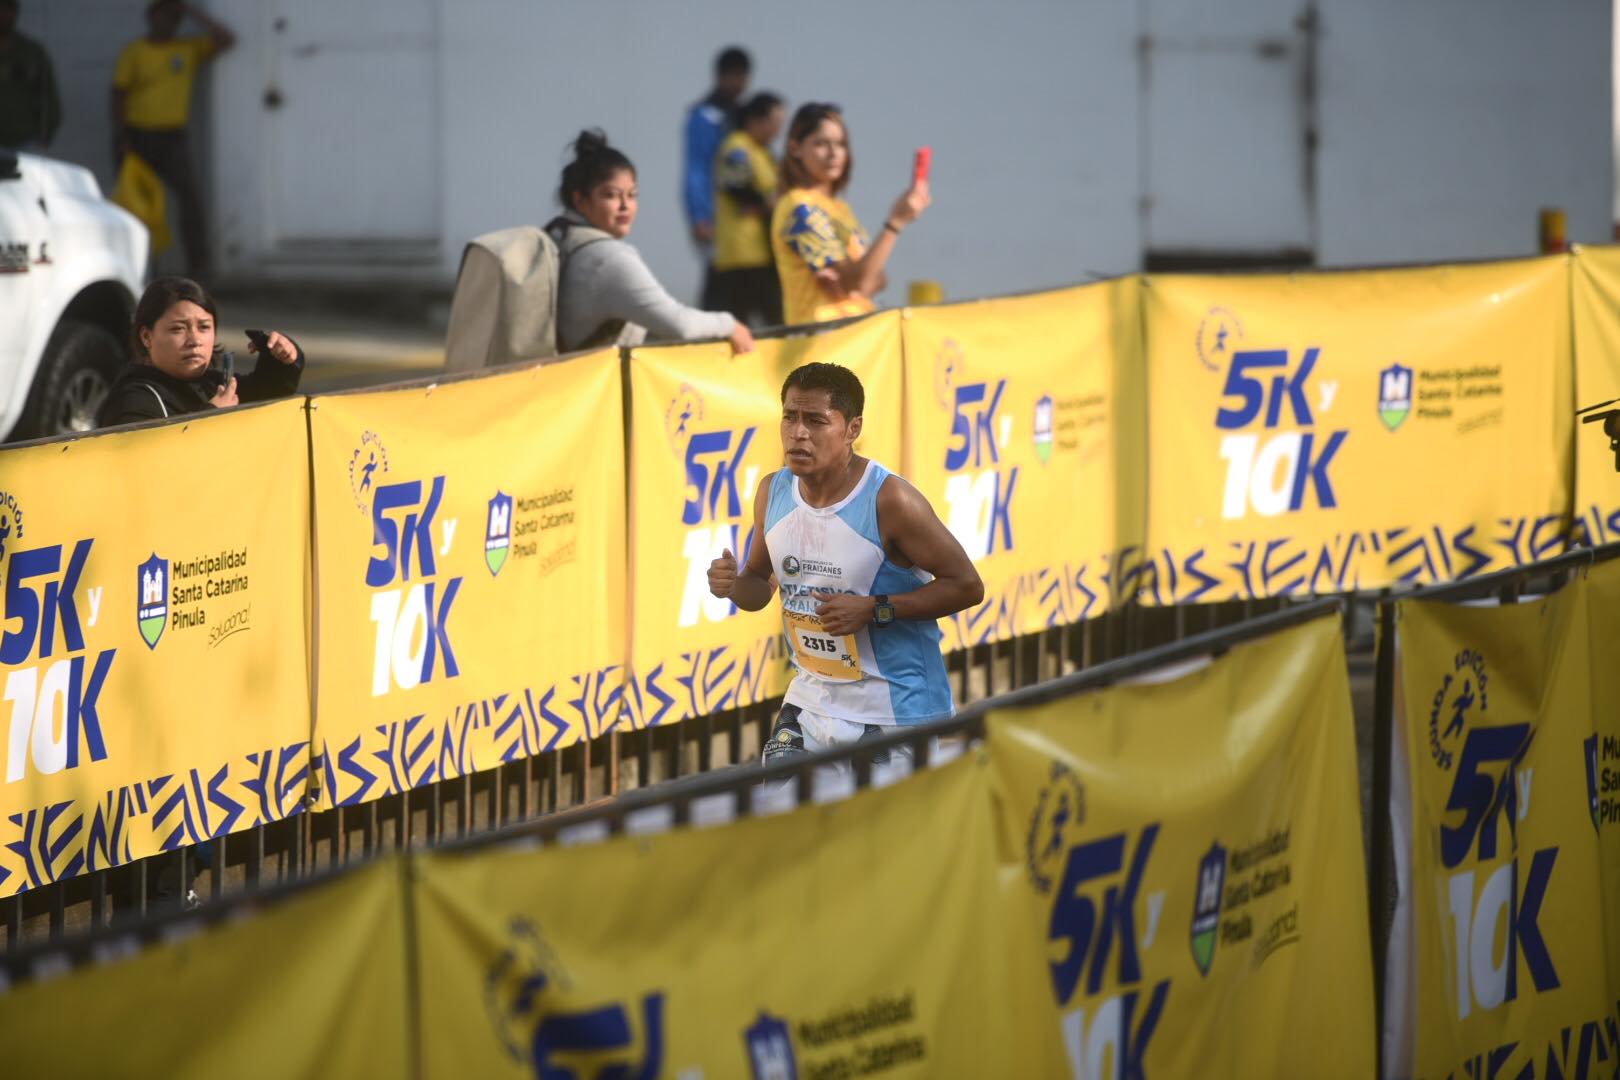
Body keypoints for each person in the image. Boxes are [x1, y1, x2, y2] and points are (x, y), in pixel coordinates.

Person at [706, 362, 983, 767]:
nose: (798, 433)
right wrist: (732, 585)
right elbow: (758, 585)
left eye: (815, 421)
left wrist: (875, 609)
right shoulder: (773, 491)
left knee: (878, 833)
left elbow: (967, 585)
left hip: (894, 711)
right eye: (789, 417)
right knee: (786, 824)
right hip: (811, 701)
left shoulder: (890, 500)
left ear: (852, 429)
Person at [550, 130, 753, 356]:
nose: (625, 206)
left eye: (632, 195)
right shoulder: (608, 259)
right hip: (588, 388)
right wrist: (729, 324)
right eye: (611, 195)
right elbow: (679, 325)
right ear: (579, 199)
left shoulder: (558, 238)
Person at [771, 103, 930, 327]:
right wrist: (896, 222)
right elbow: (862, 281)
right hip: (821, 343)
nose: (833, 153)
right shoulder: (799, 207)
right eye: (821, 143)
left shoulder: (839, 208)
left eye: (841, 144)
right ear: (795, 148)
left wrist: (856, 281)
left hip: (854, 339)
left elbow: (878, 278)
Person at [111, 0, 235, 277]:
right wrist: (122, 138)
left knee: (190, 200)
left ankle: (198, 268)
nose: (167, 21)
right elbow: (118, 94)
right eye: (161, 14)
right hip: (137, 137)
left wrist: (190, 11)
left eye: (172, 16)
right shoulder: (135, 52)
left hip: (172, 139)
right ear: (150, 17)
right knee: (138, 205)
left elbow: (227, 39)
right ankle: (142, 270)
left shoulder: (187, 49)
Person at [98, 276, 303, 426]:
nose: (194, 340)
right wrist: (208, 417)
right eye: (178, 329)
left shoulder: (215, 386)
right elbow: (150, 461)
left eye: (204, 327)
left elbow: (268, 391)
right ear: (146, 337)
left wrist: (280, 357)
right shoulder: (134, 399)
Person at [683, 46, 751, 308]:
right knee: (719, 287)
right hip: (716, 220)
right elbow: (696, 168)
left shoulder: (742, 114)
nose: (737, 83)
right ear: (720, 76)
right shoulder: (704, 116)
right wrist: (700, 216)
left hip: (744, 223)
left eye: (742, 76)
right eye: (732, 75)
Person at [711, 91, 785, 327]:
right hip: (741, 253)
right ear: (755, 120)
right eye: (774, 122)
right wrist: (766, 203)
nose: (777, 129)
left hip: (763, 252)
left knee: (774, 319)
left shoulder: (763, 152)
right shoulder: (737, 147)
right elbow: (736, 185)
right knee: (745, 322)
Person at [0, 0, 60, 151]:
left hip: (24, 141)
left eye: (8, 8)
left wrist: (45, 134)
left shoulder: (31, 52)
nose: (3, 14)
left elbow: (49, 97)